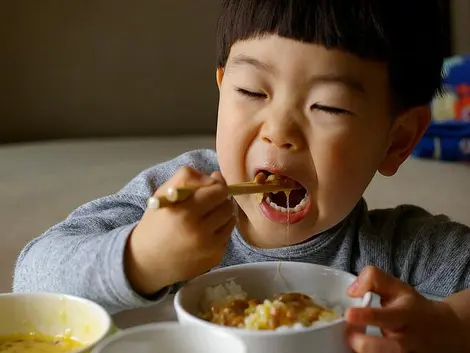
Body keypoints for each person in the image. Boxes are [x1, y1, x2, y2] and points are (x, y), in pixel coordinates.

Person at [13, 0, 470, 352]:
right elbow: (31, 280)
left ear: (396, 142)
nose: (279, 133)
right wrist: (141, 257)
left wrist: (449, 326)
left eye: (327, 106)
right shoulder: (171, 197)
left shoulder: (402, 257)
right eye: (252, 91)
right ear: (221, 89)